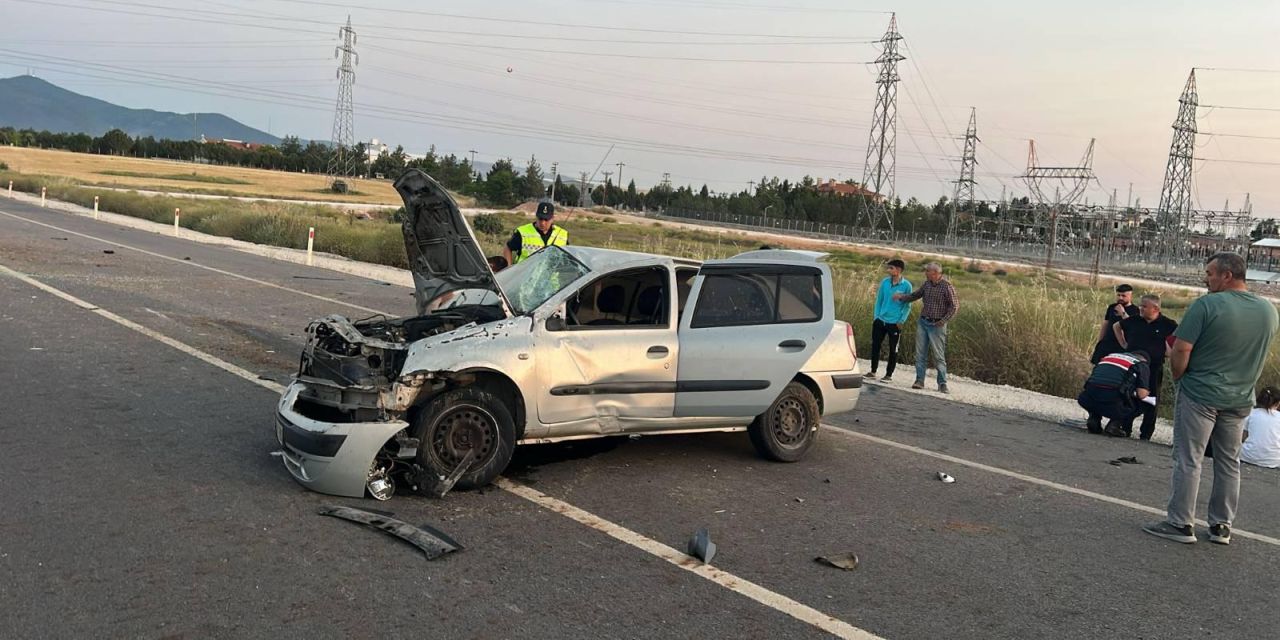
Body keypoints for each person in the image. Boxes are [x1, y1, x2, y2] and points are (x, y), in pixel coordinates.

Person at [1143, 252, 1279, 546]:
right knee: (1229, 462)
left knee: (1189, 458)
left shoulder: (1206, 305)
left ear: (1227, 275)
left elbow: (1181, 349)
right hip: (1240, 397)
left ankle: (1180, 522)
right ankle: (1221, 526)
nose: (1206, 278)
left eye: (1210, 273)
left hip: (1201, 393)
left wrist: (1179, 376)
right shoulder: (1268, 311)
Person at [1110, 294, 1178, 439]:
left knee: (1152, 399)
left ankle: (1146, 434)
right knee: (1128, 395)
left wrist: (1168, 353)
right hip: (1132, 366)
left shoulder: (1168, 324)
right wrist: (1124, 344)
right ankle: (1124, 428)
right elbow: (1117, 326)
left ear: (1155, 308)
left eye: (1144, 306)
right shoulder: (1134, 320)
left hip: (1153, 367)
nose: (1140, 308)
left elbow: (1177, 340)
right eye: (1140, 305)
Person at [893, 262, 959, 393]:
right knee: (920, 354)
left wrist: (944, 320)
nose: (925, 273)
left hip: (937, 326)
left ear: (935, 273)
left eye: (928, 271)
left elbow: (955, 306)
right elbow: (915, 295)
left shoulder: (947, 286)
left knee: (938, 355)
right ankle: (919, 381)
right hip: (923, 323)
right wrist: (902, 297)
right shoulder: (927, 284)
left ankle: (942, 384)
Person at [1077, 349, 1153, 435]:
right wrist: (1147, 393)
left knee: (1104, 389)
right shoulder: (1141, 364)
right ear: (1145, 360)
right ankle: (1114, 424)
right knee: (1145, 403)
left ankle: (1094, 418)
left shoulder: (1108, 357)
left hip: (1087, 398)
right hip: (1112, 400)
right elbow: (1142, 394)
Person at [869, 259, 913, 382]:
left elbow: (908, 305)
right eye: (888, 268)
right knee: (875, 346)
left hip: (894, 322)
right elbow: (879, 300)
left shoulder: (906, 285)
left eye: (891, 268)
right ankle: (873, 371)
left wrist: (901, 320)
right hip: (880, 320)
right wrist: (876, 316)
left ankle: (889, 375)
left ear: (898, 270)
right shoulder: (885, 282)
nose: (888, 270)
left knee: (893, 349)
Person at [504, 201, 568, 266]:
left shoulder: (562, 235)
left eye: (546, 220)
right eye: (540, 219)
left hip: (551, 276)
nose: (543, 223)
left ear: (552, 219)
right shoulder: (523, 232)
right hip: (524, 275)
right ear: (536, 216)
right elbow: (508, 248)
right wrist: (508, 268)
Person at [1090, 284, 1138, 365]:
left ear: (1130, 296)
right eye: (1118, 295)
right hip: (1106, 343)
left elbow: (1132, 326)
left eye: (1123, 296)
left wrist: (1123, 313)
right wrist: (1100, 342)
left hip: (1121, 347)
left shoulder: (1135, 311)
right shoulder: (1112, 307)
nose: (1120, 298)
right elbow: (1105, 324)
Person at [1241, 386, 1280, 469]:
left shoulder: (1251, 413)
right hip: (1274, 460)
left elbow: (1243, 437)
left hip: (1247, 456)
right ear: (1278, 403)